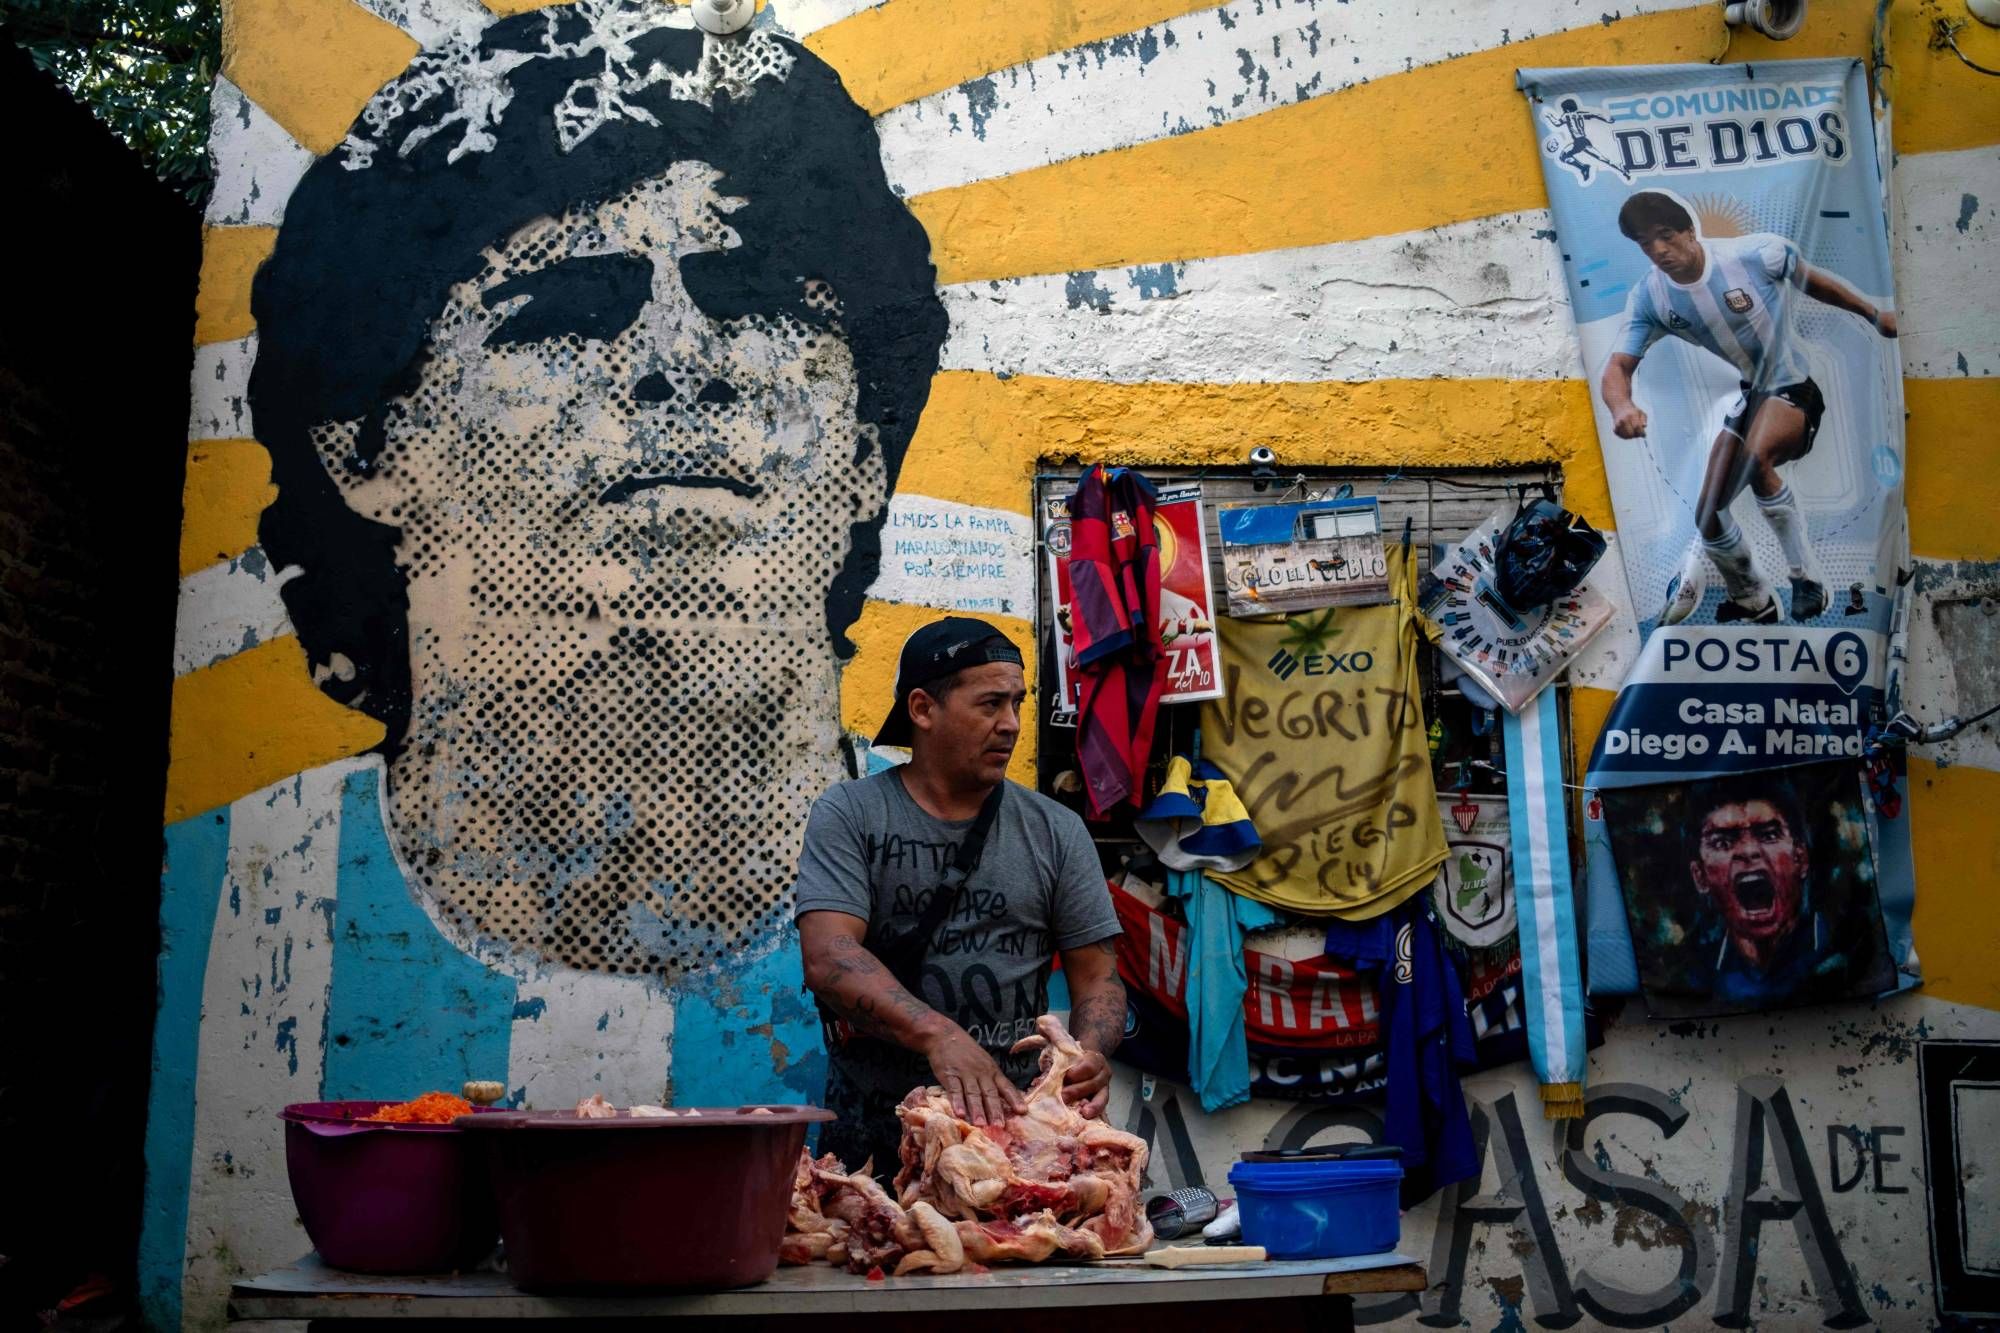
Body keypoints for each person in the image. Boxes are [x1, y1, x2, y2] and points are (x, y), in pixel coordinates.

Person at [247, 1, 948, 980]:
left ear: (867, 445)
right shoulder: (252, 903)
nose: (681, 359)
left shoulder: (984, 868)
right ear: (366, 444)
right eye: (570, 310)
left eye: (752, 300)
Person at [794, 617, 1127, 1175]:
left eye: (1016, 704)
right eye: (990, 704)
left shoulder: (1056, 831)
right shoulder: (852, 814)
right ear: (923, 709)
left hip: (1017, 1131)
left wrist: (1086, 1053)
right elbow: (829, 956)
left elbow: (1099, 976)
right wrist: (939, 1035)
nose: (1011, 724)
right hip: (875, 1128)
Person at [1600, 189, 1898, 626]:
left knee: (1757, 457)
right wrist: (1621, 406)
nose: (1659, 250)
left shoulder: (1754, 256)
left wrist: (1873, 314)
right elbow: (1617, 367)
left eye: (1665, 235)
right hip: (1751, 396)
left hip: (1794, 386)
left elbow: (1810, 280)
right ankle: (1752, 598)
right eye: (1646, 244)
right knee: (1709, 512)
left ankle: (1806, 578)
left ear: (1689, 231)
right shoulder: (1652, 297)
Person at [1684, 782, 1841, 1006]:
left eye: (1769, 835)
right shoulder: (1694, 974)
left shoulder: (1840, 947)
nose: (1748, 851)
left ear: (1800, 859)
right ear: (1700, 876)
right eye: (1723, 842)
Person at [1542, 97, 1629, 183]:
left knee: (1563, 156)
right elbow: (1595, 115)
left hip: (1578, 142)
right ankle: (1622, 170)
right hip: (1585, 141)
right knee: (1602, 158)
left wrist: (1549, 116)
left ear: (1566, 109)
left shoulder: (1567, 115)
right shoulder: (1580, 114)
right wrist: (1607, 120)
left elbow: (1557, 123)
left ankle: (1583, 168)